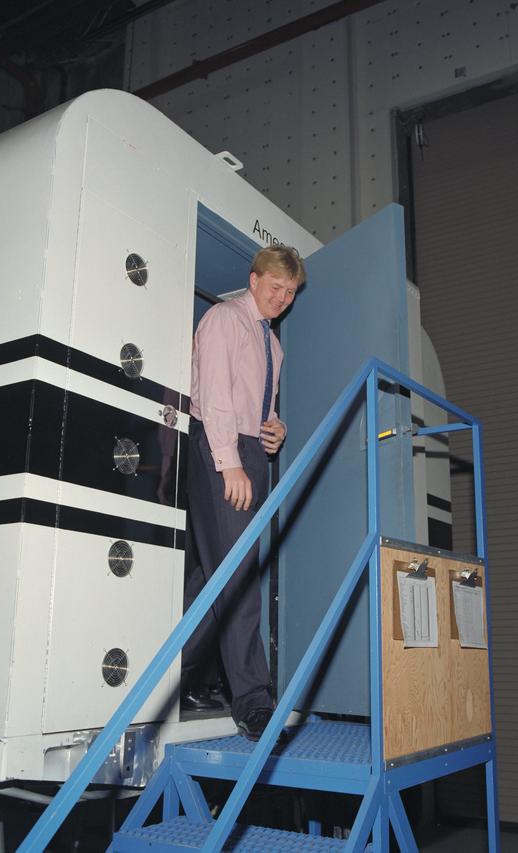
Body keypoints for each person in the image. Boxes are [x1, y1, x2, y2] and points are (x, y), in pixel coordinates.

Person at [180, 244, 304, 741]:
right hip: (218, 447)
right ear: (254, 281)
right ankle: (252, 700)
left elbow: (259, 407)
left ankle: (176, 676)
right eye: (275, 287)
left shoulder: (272, 344)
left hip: (250, 450)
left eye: (291, 292)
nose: (282, 298)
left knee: (212, 579)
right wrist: (229, 462)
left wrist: (274, 430)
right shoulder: (224, 320)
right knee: (237, 578)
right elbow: (213, 398)